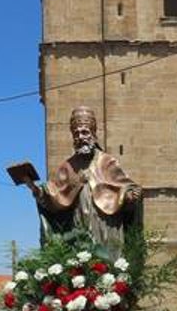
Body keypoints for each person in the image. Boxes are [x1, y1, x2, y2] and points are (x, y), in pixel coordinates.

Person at [22, 105, 142, 258]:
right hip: (78, 222)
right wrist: (36, 190)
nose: (80, 137)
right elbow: (54, 194)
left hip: (106, 222)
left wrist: (129, 195)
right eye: (76, 133)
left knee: (109, 261)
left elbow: (126, 186)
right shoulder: (68, 165)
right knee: (82, 258)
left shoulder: (106, 161)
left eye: (84, 132)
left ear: (93, 133)